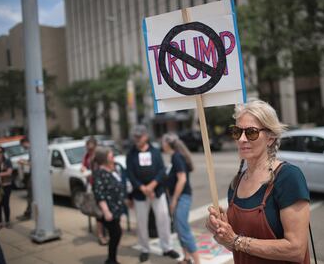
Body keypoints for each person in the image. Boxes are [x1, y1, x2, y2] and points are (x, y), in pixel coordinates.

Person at [206, 100, 311, 264]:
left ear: (270, 138)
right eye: (236, 131)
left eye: (251, 132)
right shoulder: (236, 183)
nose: (241, 139)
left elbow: (296, 250)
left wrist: (235, 240)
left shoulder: (288, 177)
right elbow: (236, 247)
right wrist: (222, 232)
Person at [126, 125, 179, 263]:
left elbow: (162, 170)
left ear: (146, 136)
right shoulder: (130, 154)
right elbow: (130, 174)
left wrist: (152, 185)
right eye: (135, 136)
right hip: (140, 194)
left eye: (140, 136)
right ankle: (144, 248)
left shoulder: (155, 151)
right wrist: (142, 188)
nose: (137, 138)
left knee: (163, 219)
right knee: (142, 222)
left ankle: (167, 247)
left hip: (157, 191)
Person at [162, 133, 201, 264]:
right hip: (179, 198)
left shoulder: (176, 157)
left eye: (163, 142)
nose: (162, 144)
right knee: (179, 229)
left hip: (182, 198)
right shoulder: (175, 157)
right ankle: (186, 258)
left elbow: (182, 179)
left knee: (183, 230)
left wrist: (173, 200)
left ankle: (197, 261)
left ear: (168, 144)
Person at [92, 147, 127, 264]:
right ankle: (111, 260)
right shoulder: (100, 174)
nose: (113, 158)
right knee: (116, 233)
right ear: (104, 159)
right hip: (109, 211)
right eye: (111, 156)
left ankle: (112, 259)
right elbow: (99, 194)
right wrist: (106, 211)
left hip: (115, 210)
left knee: (116, 233)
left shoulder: (111, 170)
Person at [82, 137, 108, 246]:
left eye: (92, 149)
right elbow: (83, 165)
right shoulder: (87, 156)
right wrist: (84, 169)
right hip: (94, 186)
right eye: (88, 149)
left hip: (105, 186)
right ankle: (101, 235)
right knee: (99, 213)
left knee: (106, 210)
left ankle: (108, 232)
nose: (90, 151)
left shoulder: (100, 156)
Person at [0, 146, 13, 229]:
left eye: (0, 152)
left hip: (6, 185)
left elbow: (9, 172)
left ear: (3, 153)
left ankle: (7, 221)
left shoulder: (7, 161)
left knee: (5, 204)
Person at [17, 137, 32, 221]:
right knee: (30, 195)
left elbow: (33, 163)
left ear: (26, 142)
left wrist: (23, 162)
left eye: (22, 145)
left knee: (30, 195)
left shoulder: (33, 150)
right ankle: (28, 212)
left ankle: (28, 213)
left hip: (34, 176)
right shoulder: (32, 150)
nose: (23, 147)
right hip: (32, 175)